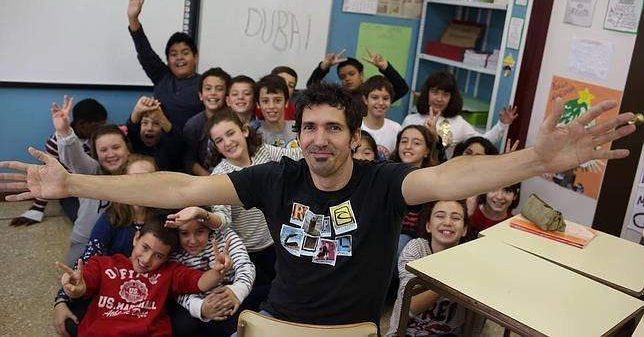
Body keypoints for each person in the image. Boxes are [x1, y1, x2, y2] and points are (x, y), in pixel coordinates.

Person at [2, 83, 635, 326]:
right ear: (297, 132)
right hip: (277, 324)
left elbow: (452, 180)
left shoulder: (385, 182)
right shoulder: (276, 177)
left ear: (355, 138)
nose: (319, 139)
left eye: (334, 129)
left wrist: (537, 161)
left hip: (354, 331)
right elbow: (179, 188)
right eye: (310, 128)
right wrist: (76, 184)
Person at [55, 217, 231, 337]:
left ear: (167, 257)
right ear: (135, 238)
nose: (147, 260)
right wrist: (75, 289)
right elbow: (83, 286)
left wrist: (217, 272)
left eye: (158, 256)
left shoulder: (170, 272)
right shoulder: (103, 264)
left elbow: (199, 282)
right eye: (145, 247)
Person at [204, 109, 301, 311]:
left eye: (231, 134)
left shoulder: (264, 152)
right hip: (248, 252)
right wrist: (205, 216)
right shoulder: (220, 175)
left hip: (276, 241)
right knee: (262, 298)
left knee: (292, 288)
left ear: (245, 131)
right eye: (220, 140)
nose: (228, 142)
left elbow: (296, 156)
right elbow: (223, 219)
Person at [53, 154, 158, 337]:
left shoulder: (165, 218)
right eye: (134, 180)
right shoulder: (111, 218)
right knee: (72, 322)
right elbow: (87, 261)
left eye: (149, 180)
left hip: (152, 293)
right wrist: (61, 300)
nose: (142, 187)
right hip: (111, 292)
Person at [52, 96, 132, 267]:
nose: (110, 154)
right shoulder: (91, 171)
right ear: (96, 154)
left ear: (128, 149)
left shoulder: (137, 171)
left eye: (116, 147)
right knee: (76, 278)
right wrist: (65, 133)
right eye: (103, 150)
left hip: (128, 241)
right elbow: (75, 159)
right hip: (86, 241)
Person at [387, 200, 483, 336]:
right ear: (428, 225)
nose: (447, 222)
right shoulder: (416, 250)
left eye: (456, 218)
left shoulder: (471, 260)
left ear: (465, 229)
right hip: (408, 331)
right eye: (440, 216)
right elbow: (410, 306)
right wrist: (450, 274)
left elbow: (476, 315)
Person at [11, 98, 107, 226]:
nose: (100, 129)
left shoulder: (96, 138)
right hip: (70, 190)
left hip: (94, 187)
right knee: (85, 222)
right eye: (97, 126)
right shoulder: (55, 141)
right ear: (82, 124)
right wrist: (37, 209)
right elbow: (47, 174)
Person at [165, 211, 255, 336]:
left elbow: (245, 266)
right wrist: (200, 307)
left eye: (199, 232)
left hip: (233, 298)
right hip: (201, 307)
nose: (193, 241)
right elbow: (177, 289)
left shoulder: (225, 237)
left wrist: (237, 291)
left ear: (209, 228)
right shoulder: (175, 253)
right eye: (184, 233)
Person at [127, 0, 202, 131]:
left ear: (196, 57)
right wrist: (133, 19)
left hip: (191, 146)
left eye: (185, 53)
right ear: (168, 60)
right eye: (173, 54)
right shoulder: (162, 76)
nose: (179, 58)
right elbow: (145, 52)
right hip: (159, 143)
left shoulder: (205, 84)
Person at [402, 71, 518, 157]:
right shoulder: (411, 120)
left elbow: (482, 142)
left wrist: (502, 125)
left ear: (451, 98)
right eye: (435, 93)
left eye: (445, 95)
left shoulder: (458, 123)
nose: (439, 99)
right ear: (427, 93)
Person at [389, 125, 443, 267]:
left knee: (401, 243)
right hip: (383, 234)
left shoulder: (432, 182)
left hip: (413, 240)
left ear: (426, 152)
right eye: (404, 141)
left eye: (416, 143)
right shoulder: (386, 173)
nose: (408, 146)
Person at [306, 49, 409, 115]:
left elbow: (402, 88)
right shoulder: (337, 96)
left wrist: (385, 67)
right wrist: (324, 66)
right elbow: (311, 87)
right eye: (342, 76)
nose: (347, 78)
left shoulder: (373, 94)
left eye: (351, 74)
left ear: (361, 75)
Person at [183, 68, 232, 175]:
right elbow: (189, 160)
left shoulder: (234, 122)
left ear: (227, 95)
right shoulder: (193, 125)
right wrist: (209, 179)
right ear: (200, 95)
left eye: (219, 89)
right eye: (208, 88)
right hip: (203, 179)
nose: (213, 93)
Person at [127, 96, 184, 171]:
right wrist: (137, 111)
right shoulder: (136, 142)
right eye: (145, 123)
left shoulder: (169, 147)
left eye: (156, 123)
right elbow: (132, 129)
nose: (149, 128)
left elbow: (176, 140)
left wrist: (161, 118)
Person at [361, 75, 402, 159]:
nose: (380, 102)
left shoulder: (396, 129)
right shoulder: (356, 125)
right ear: (365, 100)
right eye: (375, 97)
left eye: (385, 98)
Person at [255, 75, 299, 148]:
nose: (271, 106)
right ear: (258, 104)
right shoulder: (256, 136)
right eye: (265, 101)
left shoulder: (297, 128)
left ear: (286, 102)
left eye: (277, 100)